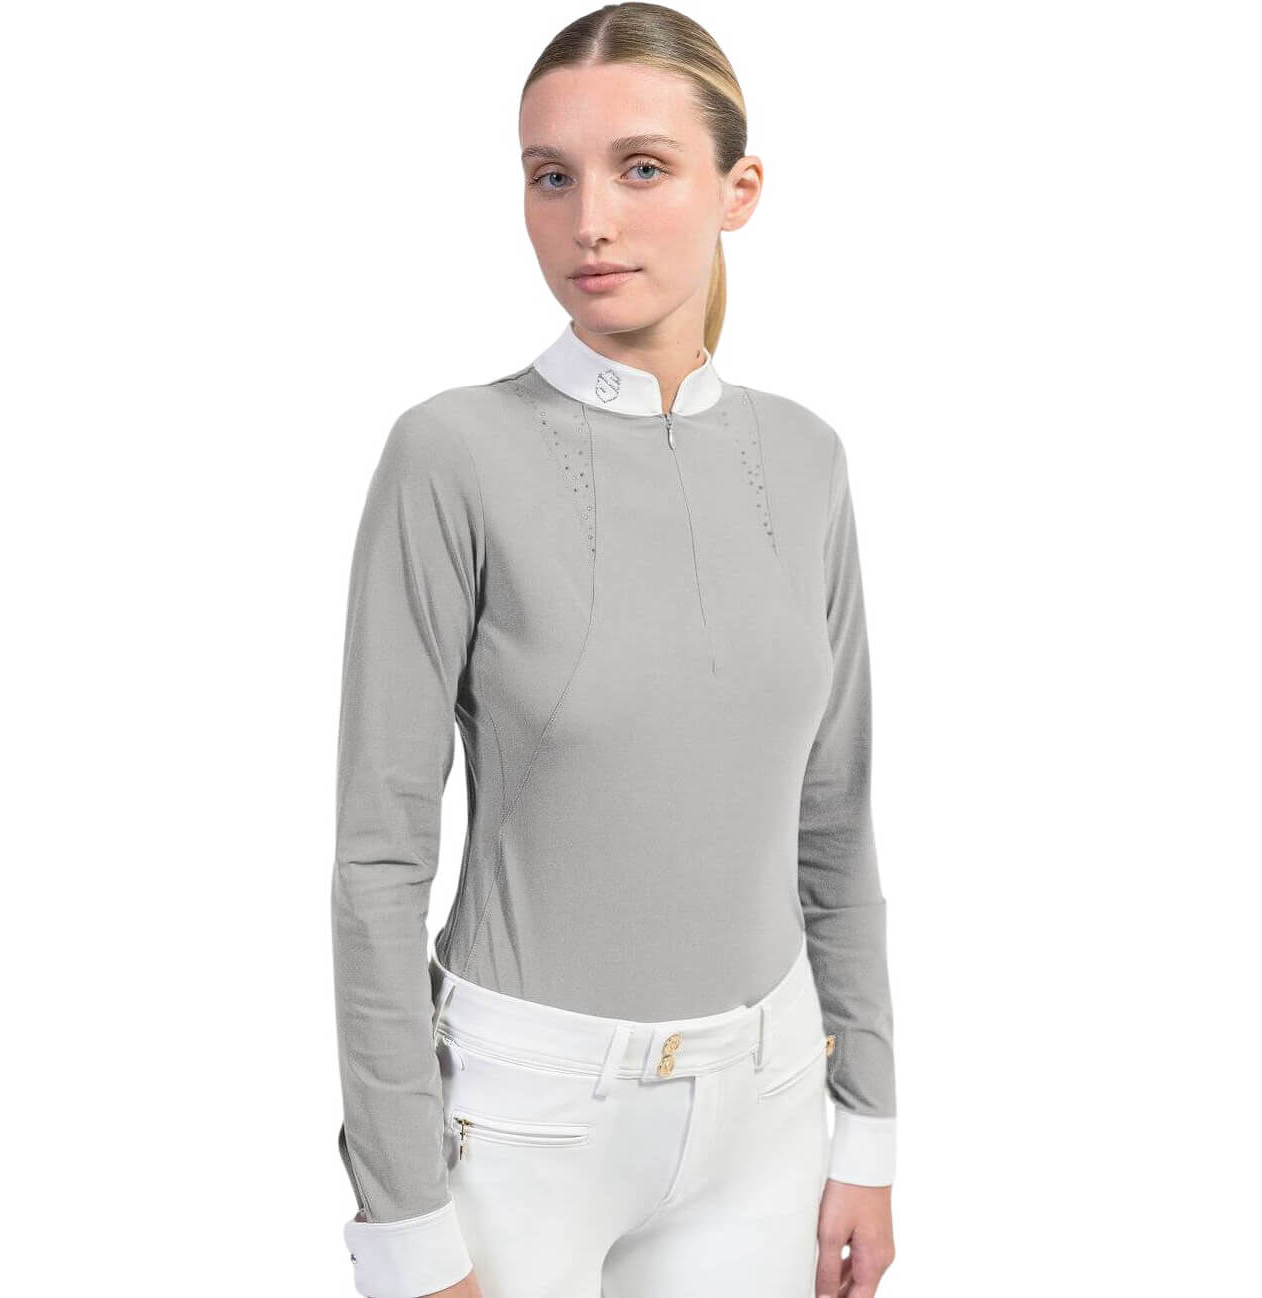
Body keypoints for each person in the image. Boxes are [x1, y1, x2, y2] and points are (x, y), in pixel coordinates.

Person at [330, 5, 897, 1296]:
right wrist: (404, 1220)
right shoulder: (450, 453)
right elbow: (377, 859)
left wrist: (866, 1130)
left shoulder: (805, 459)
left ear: (737, 190)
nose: (590, 219)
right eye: (552, 176)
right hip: (524, 1124)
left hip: (767, 1108)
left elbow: (835, 818)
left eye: (641, 168)